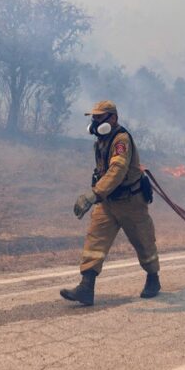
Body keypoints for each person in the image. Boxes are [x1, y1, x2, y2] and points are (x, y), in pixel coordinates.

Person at [60, 100, 160, 306]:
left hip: (131, 202)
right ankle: (86, 288)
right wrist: (99, 194)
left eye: (99, 118)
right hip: (107, 203)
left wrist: (94, 193)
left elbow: (117, 171)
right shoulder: (102, 141)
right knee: (94, 242)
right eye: (93, 118)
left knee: (143, 242)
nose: (95, 123)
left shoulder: (121, 140)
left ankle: (153, 279)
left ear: (112, 118)